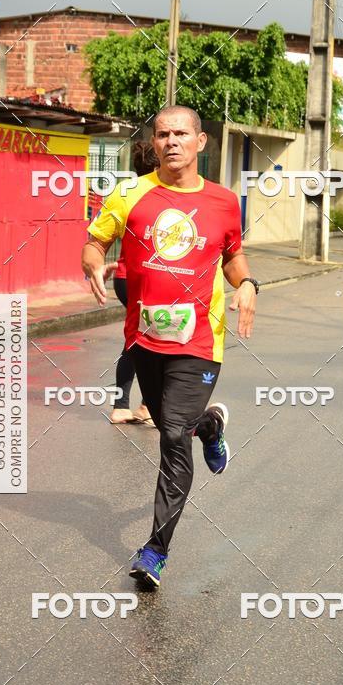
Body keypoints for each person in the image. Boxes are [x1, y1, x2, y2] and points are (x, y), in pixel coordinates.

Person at [81, 105, 258, 589]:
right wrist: (91, 262)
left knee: (172, 435)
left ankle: (155, 550)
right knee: (168, 421)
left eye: (181, 133)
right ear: (153, 143)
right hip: (145, 337)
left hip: (200, 339)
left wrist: (247, 283)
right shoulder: (129, 194)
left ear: (201, 142)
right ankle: (211, 424)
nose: (171, 141)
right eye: (163, 134)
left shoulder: (223, 201)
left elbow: (233, 255)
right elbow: (95, 241)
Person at [109, 141, 159, 426]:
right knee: (155, 341)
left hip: (123, 278)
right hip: (143, 280)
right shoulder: (159, 196)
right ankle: (146, 406)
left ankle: (122, 406)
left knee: (136, 340)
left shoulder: (127, 193)